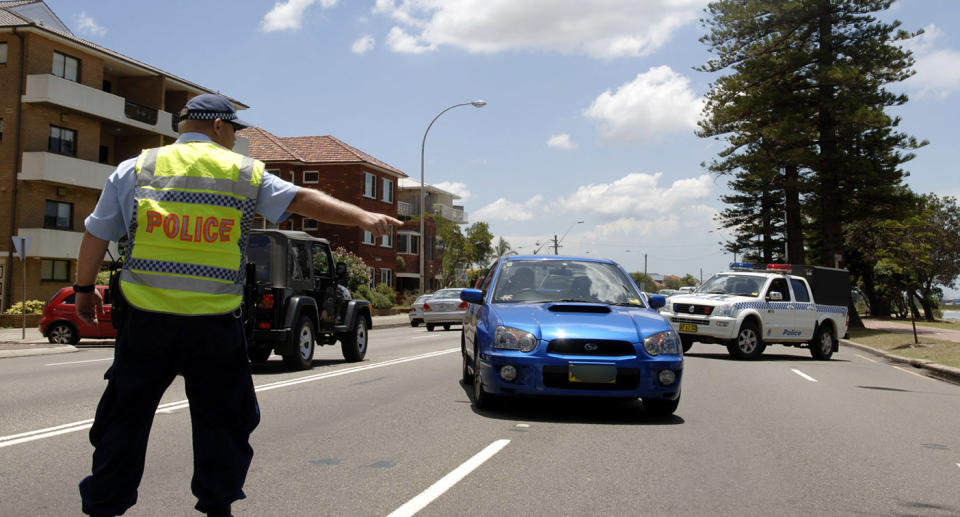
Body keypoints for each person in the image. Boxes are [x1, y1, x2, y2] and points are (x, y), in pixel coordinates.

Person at [74, 94, 401, 517]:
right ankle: (217, 506)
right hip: (214, 325)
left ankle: (104, 507)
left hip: (146, 323)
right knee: (223, 421)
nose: (233, 141)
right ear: (217, 126)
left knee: (124, 419)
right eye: (233, 131)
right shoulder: (243, 173)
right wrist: (360, 217)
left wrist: (84, 290)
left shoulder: (135, 169)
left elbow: (97, 234)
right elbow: (301, 199)